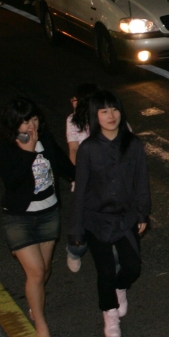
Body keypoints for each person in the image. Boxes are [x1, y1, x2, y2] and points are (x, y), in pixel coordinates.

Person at [70, 89, 151, 337]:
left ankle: (120, 288)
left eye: (114, 109)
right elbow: (80, 189)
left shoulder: (133, 144)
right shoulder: (88, 148)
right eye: (103, 111)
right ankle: (109, 313)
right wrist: (76, 228)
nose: (110, 115)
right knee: (104, 270)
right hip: (96, 220)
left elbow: (141, 181)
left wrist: (142, 214)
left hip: (125, 218)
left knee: (132, 266)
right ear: (95, 115)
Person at [0, 97, 73, 337]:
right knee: (36, 272)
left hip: (48, 214)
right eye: (24, 121)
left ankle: (35, 301)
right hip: (19, 217)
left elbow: (65, 167)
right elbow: (13, 182)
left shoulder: (46, 141)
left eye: (34, 119)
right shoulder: (6, 148)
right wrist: (28, 154)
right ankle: (41, 324)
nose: (30, 126)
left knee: (45, 269)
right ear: (13, 125)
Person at [62, 83, 99, 273]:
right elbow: (74, 149)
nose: (72, 102)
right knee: (81, 228)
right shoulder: (72, 120)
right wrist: (79, 175)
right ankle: (74, 250)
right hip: (85, 177)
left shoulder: (104, 117)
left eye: (75, 99)